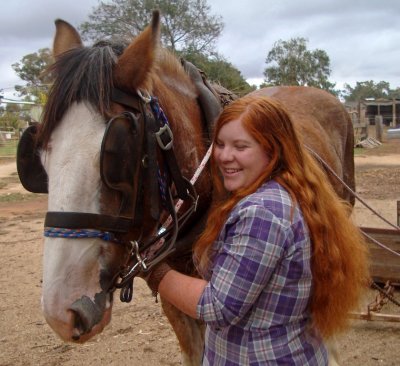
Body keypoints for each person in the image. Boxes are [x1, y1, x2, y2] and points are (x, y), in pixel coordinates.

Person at [145, 95, 369, 365]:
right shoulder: (284, 191)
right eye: (220, 144)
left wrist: (154, 270)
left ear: (272, 150)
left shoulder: (262, 212)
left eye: (241, 146)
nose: (225, 157)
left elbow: (217, 306)